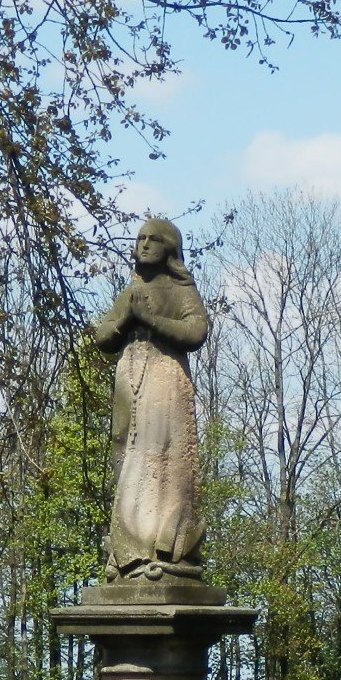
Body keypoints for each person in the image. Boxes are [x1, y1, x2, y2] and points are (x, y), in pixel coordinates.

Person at [93, 217, 210, 581]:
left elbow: (196, 331)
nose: (143, 244)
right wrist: (126, 319)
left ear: (169, 248)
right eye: (140, 238)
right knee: (125, 455)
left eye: (152, 239)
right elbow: (102, 336)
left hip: (164, 380)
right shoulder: (129, 291)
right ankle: (128, 552)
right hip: (130, 376)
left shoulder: (181, 290)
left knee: (158, 455)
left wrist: (150, 318)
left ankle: (160, 546)